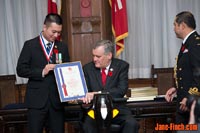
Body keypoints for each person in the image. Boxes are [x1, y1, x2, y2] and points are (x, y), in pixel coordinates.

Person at [16, 13, 70, 133]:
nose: (56, 35)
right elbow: (20, 69)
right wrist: (42, 71)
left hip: (56, 101)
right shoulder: (30, 45)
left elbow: (67, 71)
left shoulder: (62, 47)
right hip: (36, 101)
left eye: (59, 32)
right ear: (44, 27)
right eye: (53, 31)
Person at [81, 40, 139, 133]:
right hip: (95, 110)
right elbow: (85, 91)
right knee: (87, 125)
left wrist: (98, 94)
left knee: (131, 123)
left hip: (116, 108)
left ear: (109, 55)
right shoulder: (87, 69)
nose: (94, 59)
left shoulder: (121, 66)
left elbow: (121, 90)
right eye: (93, 55)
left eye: (98, 56)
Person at [165, 11, 200, 124]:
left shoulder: (195, 44)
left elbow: (198, 73)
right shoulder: (188, 42)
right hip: (183, 99)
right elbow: (186, 72)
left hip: (191, 103)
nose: (173, 28)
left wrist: (189, 97)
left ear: (182, 25)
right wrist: (176, 88)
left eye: (175, 25)